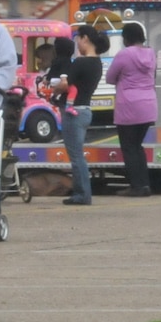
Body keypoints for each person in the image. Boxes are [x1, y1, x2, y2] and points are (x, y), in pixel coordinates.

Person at [55, 26, 107, 206]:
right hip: (85, 110)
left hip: (73, 112)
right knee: (78, 154)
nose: (77, 43)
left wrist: (56, 85)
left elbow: (64, 85)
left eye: (78, 38)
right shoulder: (97, 63)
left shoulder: (80, 62)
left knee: (76, 155)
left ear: (85, 38)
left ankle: (82, 194)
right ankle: (82, 192)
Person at [110, 22, 158, 197]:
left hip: (129, 106)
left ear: (126, 37)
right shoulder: (151, 54)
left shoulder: (124, 55)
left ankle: (136, 186)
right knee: (138, 146)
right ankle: (144, 184)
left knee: (129, 147)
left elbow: (110, 77)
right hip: (149, 104)